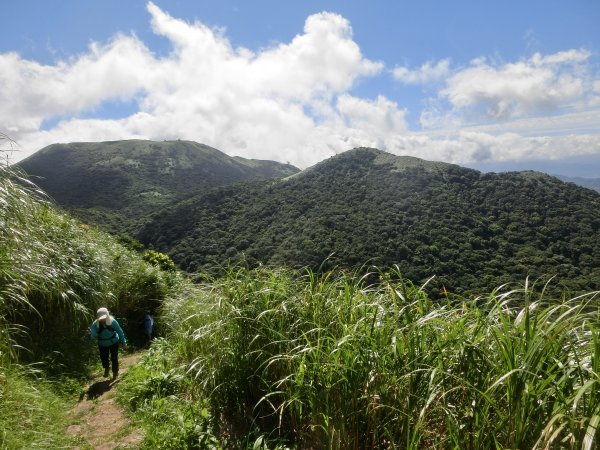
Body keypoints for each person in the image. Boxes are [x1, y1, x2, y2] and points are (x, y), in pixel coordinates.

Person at [89, 307, 127, 379]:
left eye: (104, 317)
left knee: (114, 358)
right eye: (101, 318)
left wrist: (124, 342)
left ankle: (115, 372)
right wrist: (90, 334)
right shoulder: (95, 324)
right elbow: (93, 336)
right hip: (102, 344)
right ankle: (106, 368)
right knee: (104, 358)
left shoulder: (113, 322)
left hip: (114, 342)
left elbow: (120, 331)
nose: (103, 319)